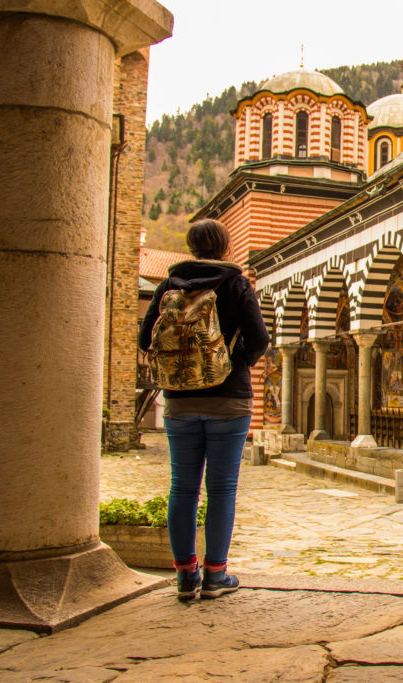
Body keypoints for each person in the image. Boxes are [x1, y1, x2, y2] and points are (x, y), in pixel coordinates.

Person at [138, 219, 269, 601]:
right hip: (228, 399)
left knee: (183, 487)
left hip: (179, 399)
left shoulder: (168, 285)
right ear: (225, 246)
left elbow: (146, 338)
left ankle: (184, 576)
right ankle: (216, 575)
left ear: (191, 247)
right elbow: (259, 338)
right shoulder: (236, 282)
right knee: (222, 488)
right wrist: (235, 361)